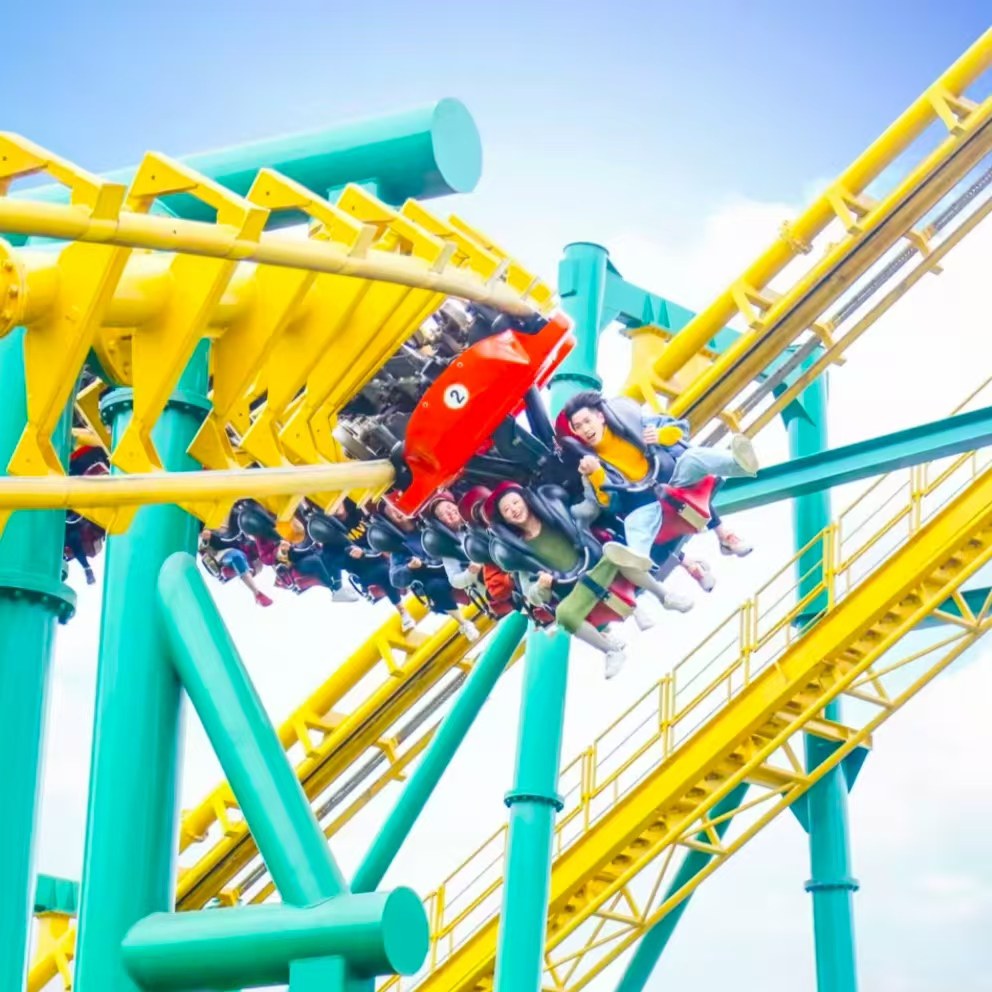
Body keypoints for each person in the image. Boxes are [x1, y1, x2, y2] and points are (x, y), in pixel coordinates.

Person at [488, 484, 691, 679]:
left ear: (526, 500)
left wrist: (588, 479)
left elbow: (589, 508)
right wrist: (542, 586)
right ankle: (611, 651)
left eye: (515, 502)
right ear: (504, 520)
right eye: (506, 510)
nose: (513, 510)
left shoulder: (557, 513)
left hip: (596, 567)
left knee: (615, 553)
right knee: (563, 614)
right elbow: (532, 595)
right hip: (575, 588)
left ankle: (666, 597)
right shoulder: (520, 554)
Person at [561, 390, 758, 562]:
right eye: (578, 426)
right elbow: (609, 504)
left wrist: (660, 435)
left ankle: (739, 463)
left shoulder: (630, 421)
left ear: (600, 417)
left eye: (587, 421)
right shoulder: (590, 461)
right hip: (644, 503)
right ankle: (637, 561)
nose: (585, 429)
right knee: (634, 526)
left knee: (693, 457)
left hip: (672, 478)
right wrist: (596, 474)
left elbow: (681, 429)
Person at [376, 500, 481, 642]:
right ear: (389, 520)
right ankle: (464, 623)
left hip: (456, 562)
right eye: (391, 513)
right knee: (434, 586)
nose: (396, 512)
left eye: (396, 508)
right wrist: (409, 567)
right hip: (437, 578)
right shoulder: (400, 546)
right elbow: (395, 578)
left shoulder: (429, 523)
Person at [199, 526, 273, 607]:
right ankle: (256, 592)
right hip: (222, 550)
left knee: (265, 547)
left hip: (242, 545)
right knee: (236, 556)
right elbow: (204, 539)